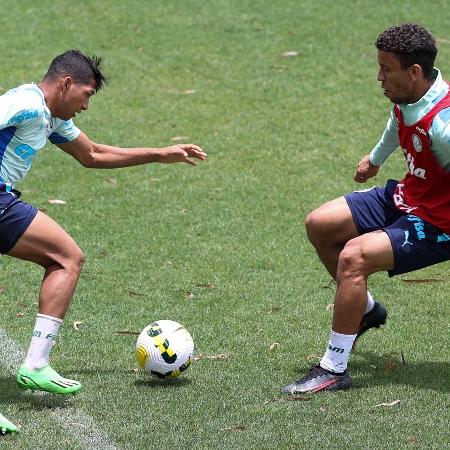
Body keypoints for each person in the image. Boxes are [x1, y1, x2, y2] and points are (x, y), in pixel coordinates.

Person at [0, 50, 206, 433]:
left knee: (66, 257)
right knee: (65, 257)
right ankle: (36, 363)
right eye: (87, 94)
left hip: (3, 200)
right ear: (65, 83)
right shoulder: (23, 104)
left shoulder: (48, 116)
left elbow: (92, 154)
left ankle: (36, 364)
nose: (86, 106)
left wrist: (160, 154)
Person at [282, 23, 450, 394]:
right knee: (320, 224)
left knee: (354, 257)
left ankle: (334, 367)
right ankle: (366, 311)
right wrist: (375, 159)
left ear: (414, 72)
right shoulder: (409, 95)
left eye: (385, 69)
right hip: (410, 195)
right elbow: (398, 120)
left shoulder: (444, 125)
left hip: (439, 221)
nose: (379, 76)